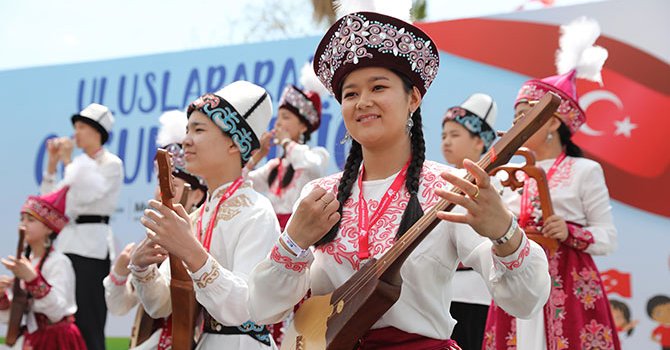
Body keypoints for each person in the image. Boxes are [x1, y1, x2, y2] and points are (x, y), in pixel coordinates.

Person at [247, 3, 551, 348]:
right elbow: (263, 308)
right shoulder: (319, 195)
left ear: (413, 99)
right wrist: (295, 241)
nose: (362, 101)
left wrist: (504, 231)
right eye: (351, 93)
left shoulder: (447, 189)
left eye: (378, 88)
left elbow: (526, 300)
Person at [483, 17, 621, 350]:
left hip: (570, 282)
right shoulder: (507, 171)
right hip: (517, 275)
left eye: (525, 116)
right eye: (516, 118)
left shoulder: (584, 170)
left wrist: (570, 231)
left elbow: (608, 237)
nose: (517, 125)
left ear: (553, 122)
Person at [129, 81, 281, 349]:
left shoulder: (257, 212)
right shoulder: (197, 217)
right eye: (187, 130)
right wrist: (142, 268)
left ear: (235, 144)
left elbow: (244, 308)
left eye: (198, 130)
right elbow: (162, 305)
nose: (186, 140)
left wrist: (190, 250)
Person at [102, 110, 207, 350]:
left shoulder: (201, 236)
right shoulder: (152, 238)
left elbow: (162, 305)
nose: (163, 191)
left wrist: (142, 268)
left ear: (198, 194)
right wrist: (120, 273)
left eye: (173, 185)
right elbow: (119, 307)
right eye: (160, 183)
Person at [41, 102, 123, 350]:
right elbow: (50, 204)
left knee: (89, 318)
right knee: (63, 316)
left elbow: (84, 195)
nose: (74, 133)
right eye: (75, 127)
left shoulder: (111, 164)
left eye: (81, 127)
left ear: (97, 131)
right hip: (66, 244)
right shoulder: (75, 165)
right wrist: (53, 165)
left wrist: (67, 162)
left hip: (91, 248)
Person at [0, 167, 98, 349]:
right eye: (22, 219)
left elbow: (57, 311)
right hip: (33, 338)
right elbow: (13, 316)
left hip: (58, 340)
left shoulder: (59, 262)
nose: (23, 225)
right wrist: (4, 298)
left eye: (31, 220)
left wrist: (32, 279)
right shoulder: (27, 262)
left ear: (48, 228)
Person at [441, 93, 497, 349]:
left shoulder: (496, 184)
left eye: (455, 135)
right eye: (444, 136)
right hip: (440, 290)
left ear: (479, 141)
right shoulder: (438, 181)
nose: (446, 142)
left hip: (476, 294)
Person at [246, 83, 329, 231]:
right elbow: (242, 183)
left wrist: (286, 142)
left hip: (301, 234)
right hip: (272, 234)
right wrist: (257, 156)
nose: (278, 123)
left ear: (303, 126)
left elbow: (312, 166)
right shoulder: (274, 166)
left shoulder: (317, 154)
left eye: (285, 117)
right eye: (278, 118)